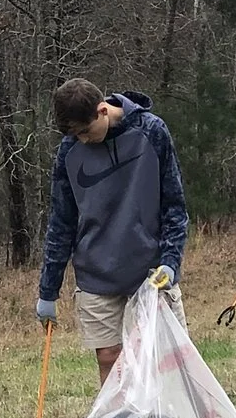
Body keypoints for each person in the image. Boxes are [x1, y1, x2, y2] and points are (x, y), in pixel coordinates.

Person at [36, 80, 189, 378]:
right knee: (109, 358)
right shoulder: (69, 150)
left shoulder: (152, 131)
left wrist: (170, 262)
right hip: (96, 273)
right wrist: (48, 290)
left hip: (150, 273)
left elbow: (174, 205)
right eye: (74, 134)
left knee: (165, 360)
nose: (81, 140)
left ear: (102, 111)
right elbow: (61, 222)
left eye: (84, 131)